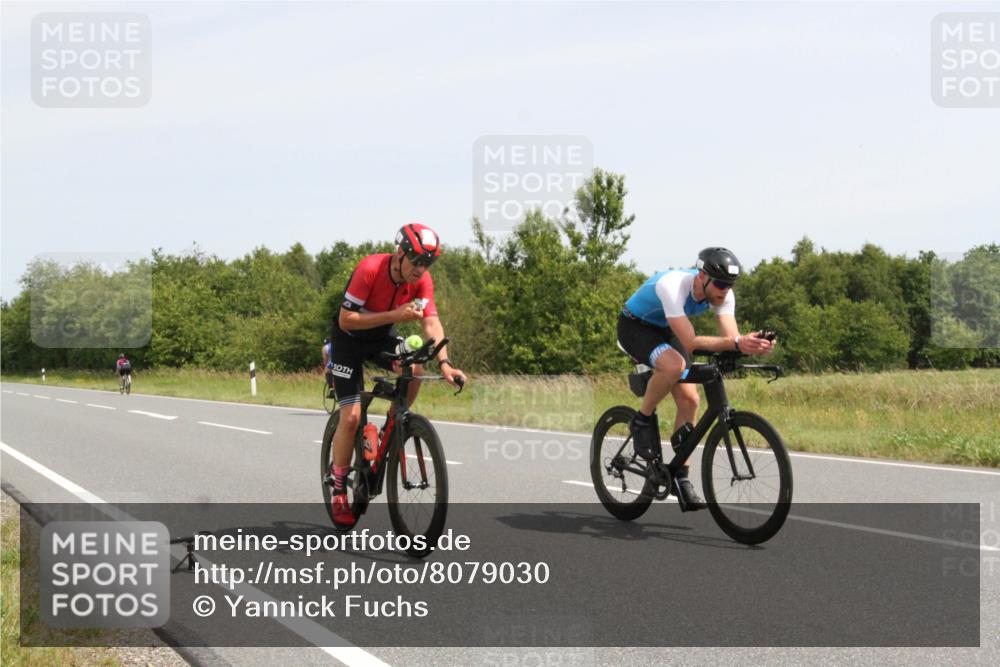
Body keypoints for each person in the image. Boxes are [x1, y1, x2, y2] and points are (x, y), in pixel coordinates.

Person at [328, 223, 467, 527]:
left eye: (427, 263)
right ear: (400, 253)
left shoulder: (421, 282)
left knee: (415, 366)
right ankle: (339, 488)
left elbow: (431, 322)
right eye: (416, 261)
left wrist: (445, 363)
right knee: (350, 418)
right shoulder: (370, 269)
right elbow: (346, 319)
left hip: (380, 337)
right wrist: (396, 316)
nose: (421, 269)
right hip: (348, 340)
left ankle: (396, 420)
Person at [617, 247, 775, 511]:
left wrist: (750, 344)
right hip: (635, 326)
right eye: (721, 284)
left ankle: (681, 478)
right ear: (702, 276)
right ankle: (641, 421)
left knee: (691, 400)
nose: (725, 290)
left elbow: (730, 336)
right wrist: (736, 342)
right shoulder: (672, 285)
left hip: (666, 328)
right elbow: (690, 342)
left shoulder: (723, 295)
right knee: (674, 365)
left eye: (730, 285)